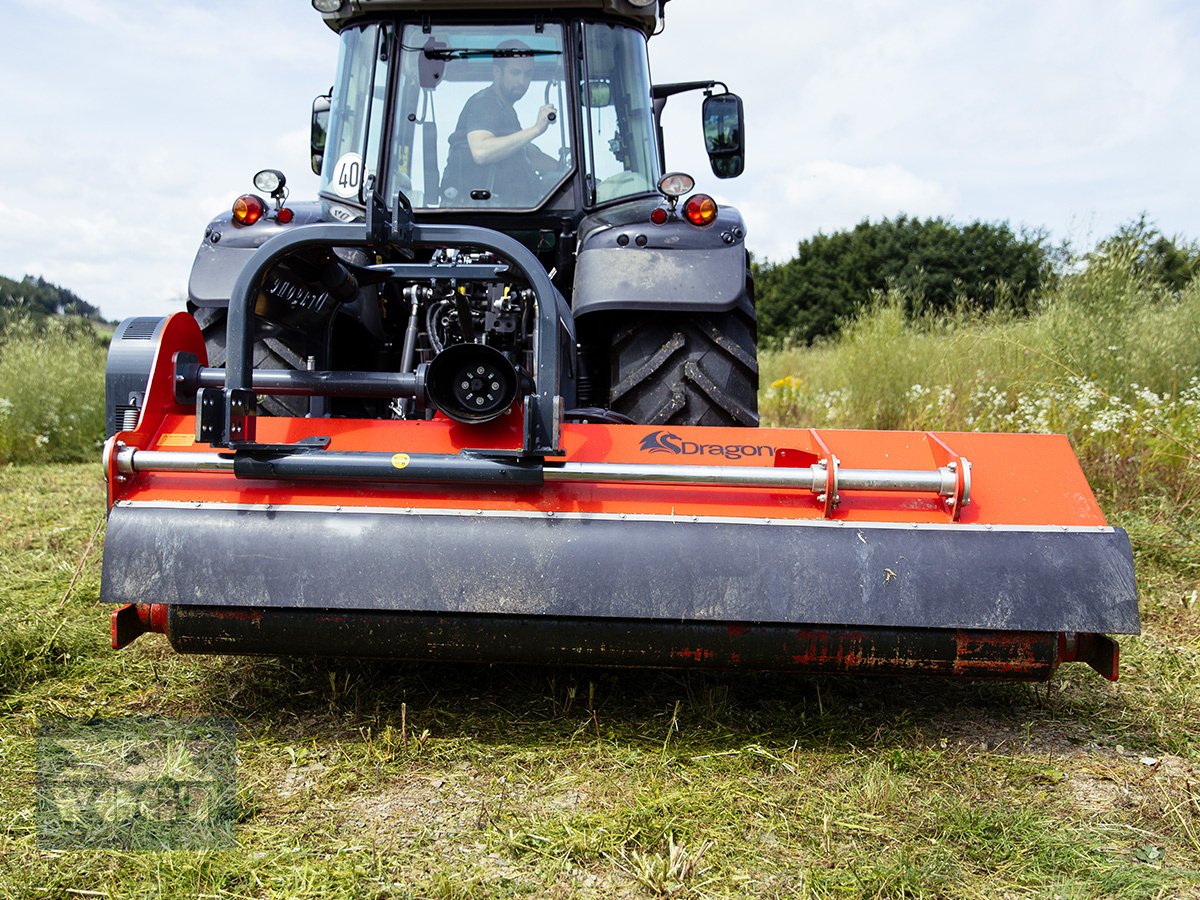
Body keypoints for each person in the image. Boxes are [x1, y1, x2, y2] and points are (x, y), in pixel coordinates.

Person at [442, 40, 561, 206]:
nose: (522, 81)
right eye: (515, 73)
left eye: (528, 74)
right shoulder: (484, 103)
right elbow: (481, 151)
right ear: (497, 72)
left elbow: (526, 153)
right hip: (479, 214)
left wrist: (563, 170)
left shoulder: (506, 110)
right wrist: (535, 130)